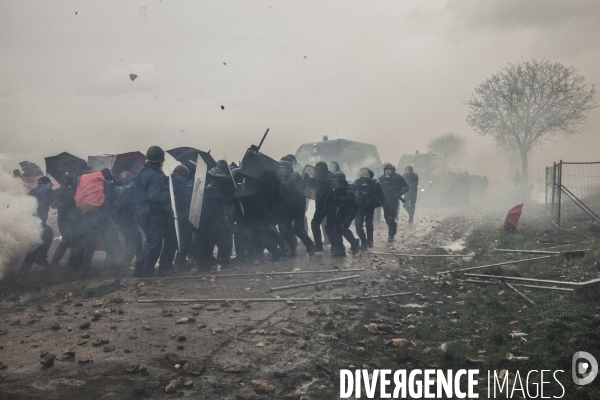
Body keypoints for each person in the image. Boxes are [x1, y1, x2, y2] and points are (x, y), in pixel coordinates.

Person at [134, 146, 173, 277]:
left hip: (141, 211)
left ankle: (138, 268)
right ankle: (147, 273)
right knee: (155, 244)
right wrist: (168, 194)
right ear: (159, 160)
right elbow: (155, 196)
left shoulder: (141, 171)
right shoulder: (154, 175)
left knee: (150, 241)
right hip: (151, 213)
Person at [276, 160, 315, 256]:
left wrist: (280, 183)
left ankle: (310, 245)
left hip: (297, 208)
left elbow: (292, 189)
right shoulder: (284, 178)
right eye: (280, 168)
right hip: (288, 208)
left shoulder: (294, 177)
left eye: (284, 168)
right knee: (285, 228)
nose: (282, 170)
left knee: (298, 229)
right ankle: (291, 248)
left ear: (289, 169)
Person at [21, 176, 56, 272]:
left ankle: (25, 269)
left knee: (38, 240)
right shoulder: (48, 190)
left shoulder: (34, 190)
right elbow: (55, 204)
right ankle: (40, 258)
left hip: (26, 220)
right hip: (37, 221)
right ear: (48, 183)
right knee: (47, 234)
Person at [324, 172, 359, 257]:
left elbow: (348, 197)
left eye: (337, 181)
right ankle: (340, 248)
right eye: (334, 181)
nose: (335, 183)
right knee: (334, 227)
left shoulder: (349, 186)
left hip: (351, 209)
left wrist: (336, 197)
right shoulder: (335, 187)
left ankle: (354, 243)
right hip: (342, 209)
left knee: (342, 227)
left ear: (342, 181)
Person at [353, 168, 385, 248]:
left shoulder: (375, 184)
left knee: (369, 224)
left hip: (370, 207)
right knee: (358, 225)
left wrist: (375, 204)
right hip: (359, 207)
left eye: (365, 175)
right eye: (362, 174)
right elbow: (351, 194)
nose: (363, 177)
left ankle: (370, 241)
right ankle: (364, 241)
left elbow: (382, 197)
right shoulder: (356, 183)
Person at [379, 163, 409, 242]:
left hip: (394, 200)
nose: (387, 171)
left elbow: (406, 187)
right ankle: (393, 227)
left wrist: (399, 194)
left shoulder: (398, 177)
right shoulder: (381, 178)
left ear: (392, 170)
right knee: (386, 218)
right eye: (386, 170)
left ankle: (391, 235)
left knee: (391, 218)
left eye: (389, 170)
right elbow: (377, 188)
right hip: (385, 201)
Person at [310, 162, 330, 252]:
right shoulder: (319, 178)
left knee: (316, 224)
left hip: (326, 205)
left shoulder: (328, 179)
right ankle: (334, 245)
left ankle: (320, 246)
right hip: (321, 205)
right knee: (326, 224)